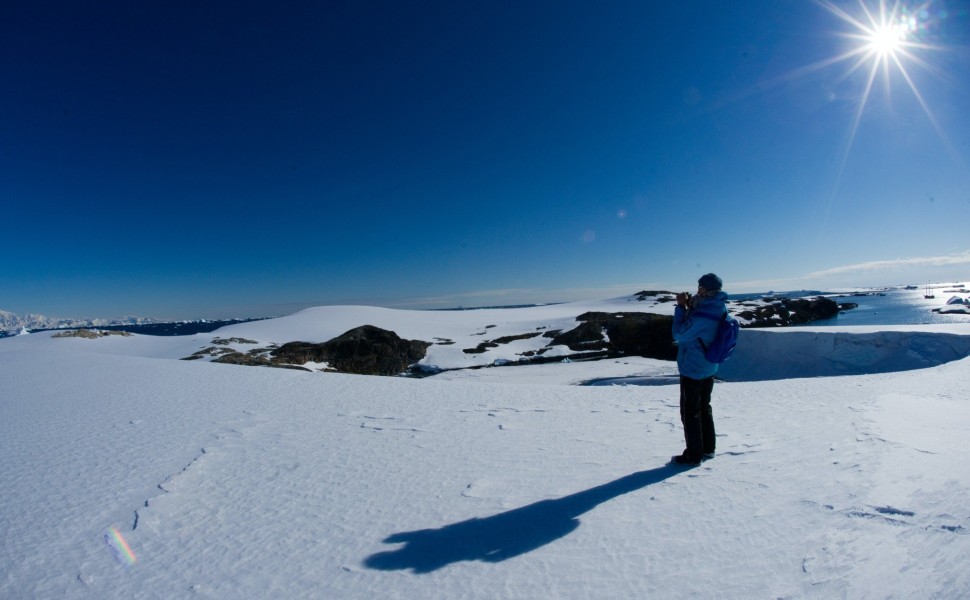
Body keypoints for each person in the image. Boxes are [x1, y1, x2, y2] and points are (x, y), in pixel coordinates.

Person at [670, 273, 728, 466]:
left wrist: (680, 308)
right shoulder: (717, 307)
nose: (697, 290)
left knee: (690, 412)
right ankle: (708, 449)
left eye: (700, 287)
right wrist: (690, 306)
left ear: (707, 289)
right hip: (708, 366)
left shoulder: (704, 314)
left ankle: (693, 455)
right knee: (704, 408)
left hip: (693, 368)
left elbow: (680, 333)